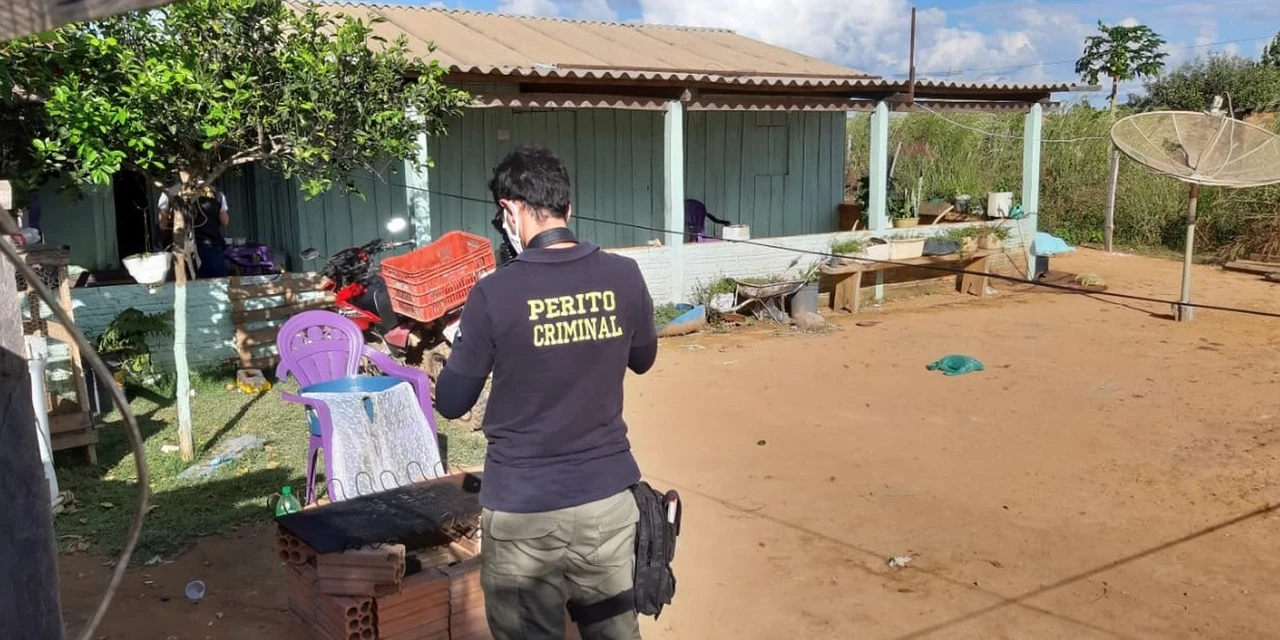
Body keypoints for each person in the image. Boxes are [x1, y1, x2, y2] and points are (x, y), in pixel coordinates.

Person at [435, 144, 658, 640]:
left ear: (509, 211)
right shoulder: (624, 275)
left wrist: (465, 342)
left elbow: (451, 402)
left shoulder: (493, 293)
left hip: (523, 510)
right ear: (567, 209)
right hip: (607, 500)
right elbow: (643, 359)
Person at [157, 171, 230, 278]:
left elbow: (162, 225)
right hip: (210, 248)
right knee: (216, 284)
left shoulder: (170, 192)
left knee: (183, 285)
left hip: (179, 249)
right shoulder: (217, 193)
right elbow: (225, 221)